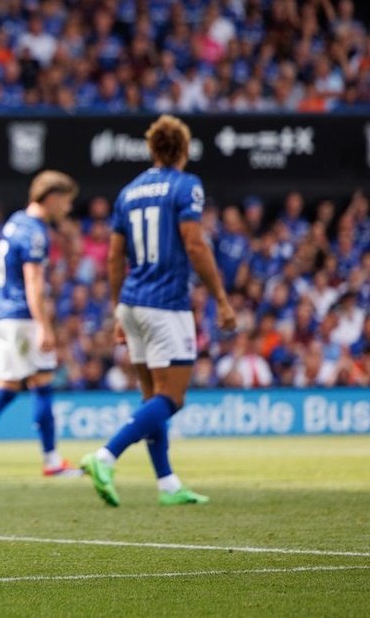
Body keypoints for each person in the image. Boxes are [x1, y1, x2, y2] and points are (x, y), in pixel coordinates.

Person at [81, 114, 236, 507]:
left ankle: (167, 483)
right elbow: (195, 244)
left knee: (152, 396)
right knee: (172, 397)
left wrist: (119, 309)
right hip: (167, 304)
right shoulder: (187, 186)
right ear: (184, 149)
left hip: (133, 302)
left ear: (152, 149)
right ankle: (105, 456)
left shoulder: (128, 191)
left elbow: (115, 258)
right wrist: (221, 297)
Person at [0, 170, 83, 480]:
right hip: (22, 317)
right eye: (66, 201)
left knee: (8, 388)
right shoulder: (35, 232)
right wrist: (44, 326)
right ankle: (52, 462)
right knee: (42, 383)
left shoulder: (14, 223)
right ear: (51, 198)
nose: (68, 208)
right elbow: (33, 282)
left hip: (2, 314)